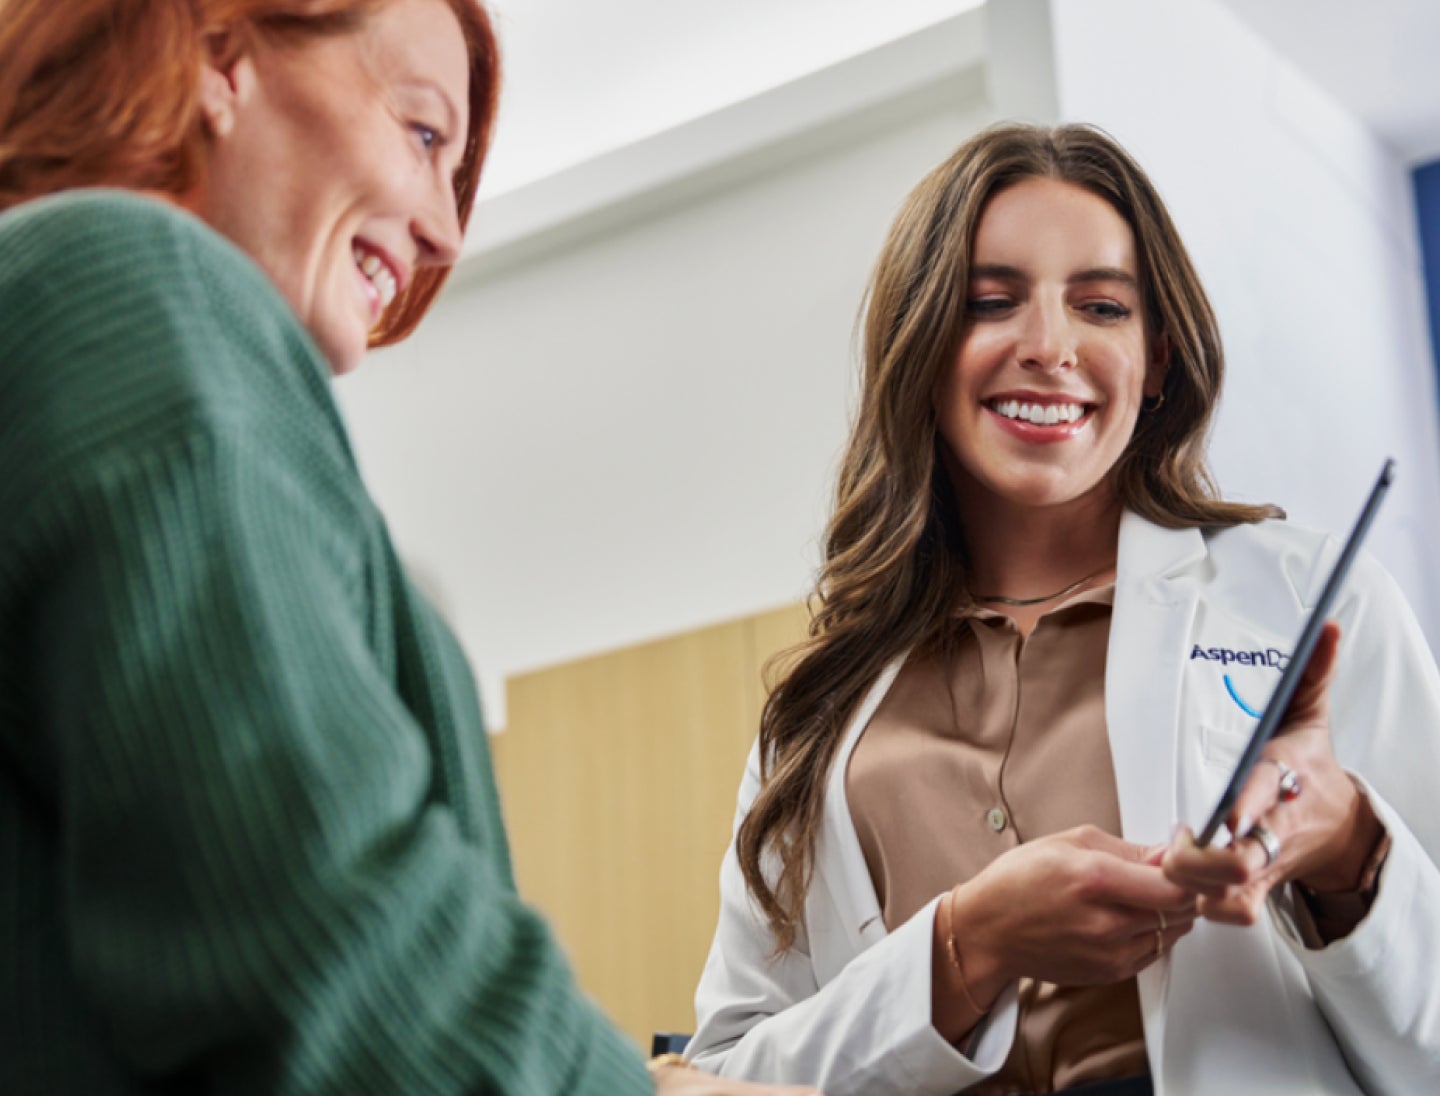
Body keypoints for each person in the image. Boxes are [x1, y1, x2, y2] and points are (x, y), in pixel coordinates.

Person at [0, 2, 821, 1094]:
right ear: (219, 56)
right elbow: (321, 944)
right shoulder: (132, 280)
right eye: (425, 134)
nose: (445, 231)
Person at [687, 123, 1440, 1095]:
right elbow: (724, 1078)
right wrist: (966, 946)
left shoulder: (1305, 607)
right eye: (991, 302)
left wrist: (1349, 852)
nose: (1049, 347)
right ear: (921, 344)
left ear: (1158, 355)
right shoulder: (819, 713)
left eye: (1101, 305)